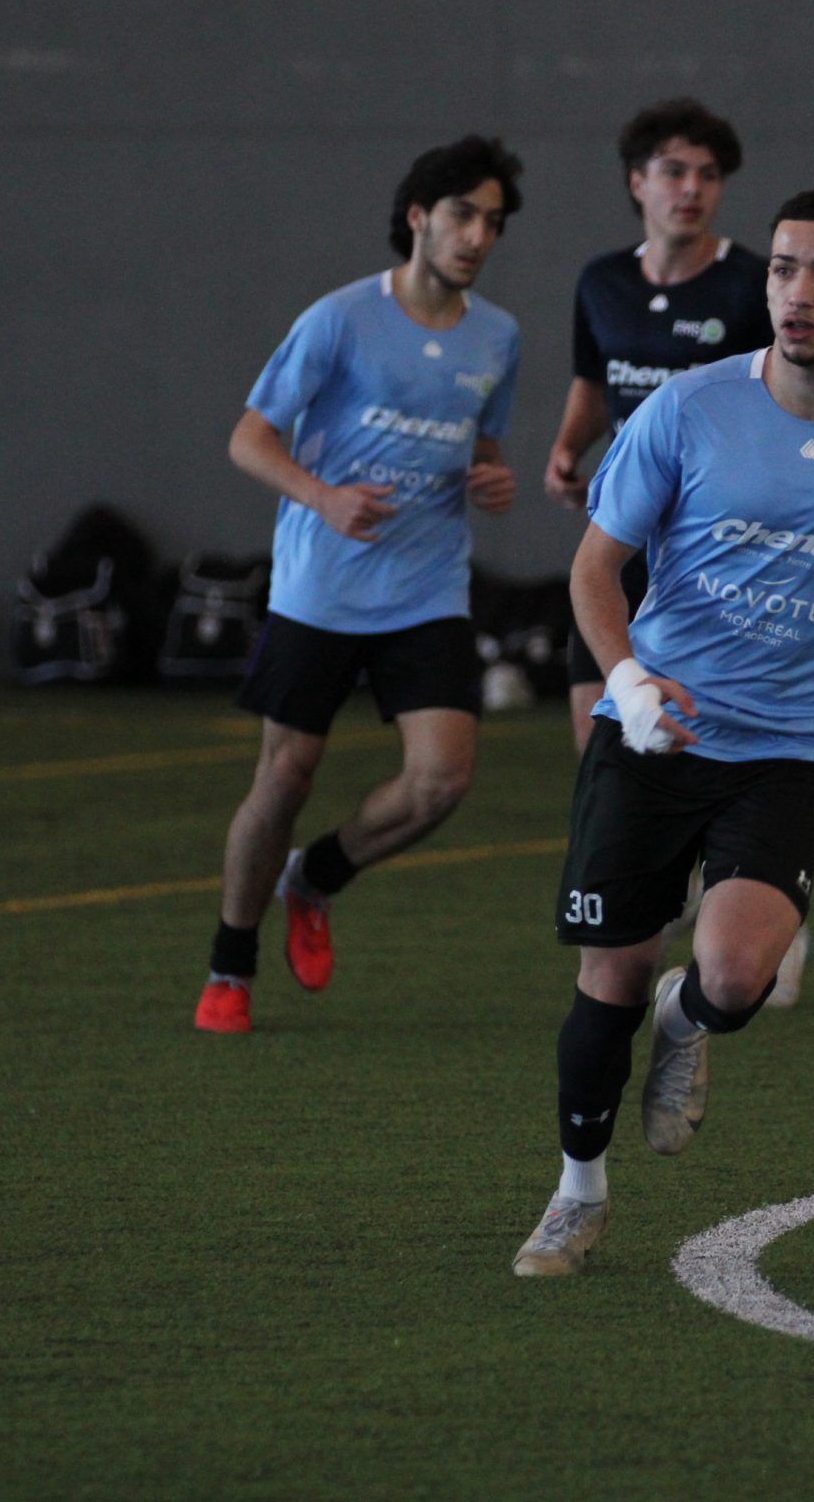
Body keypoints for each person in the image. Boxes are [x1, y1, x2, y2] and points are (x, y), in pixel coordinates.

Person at [513, 186, 814, 1276]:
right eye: (781, 269)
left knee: (731, 977)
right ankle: (576, 1192)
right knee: (610, 979)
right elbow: (593, 568)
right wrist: (629, 684)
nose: (797, 293)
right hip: (657, 730)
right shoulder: (687, 408)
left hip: (791, 743)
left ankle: (687, 1023)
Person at [193, 136, 524, 1035]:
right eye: (462, 215)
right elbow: (249, 438)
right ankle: (230, 963)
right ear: (418, 217)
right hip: (322, 588)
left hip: (427, 588)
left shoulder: (498, 336)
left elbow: (483, 443)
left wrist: (491, 479)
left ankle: (316, 877)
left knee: (441, 781)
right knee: (285, 775)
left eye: (493, 222)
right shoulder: (338, 319)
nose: (477, 236)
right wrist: (322, 496)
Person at [541, 101, 802, 998]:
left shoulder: (750, 287)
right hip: (621, 548)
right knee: (606, 741)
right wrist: (569, 446)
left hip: (714, 560)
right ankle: (638, 922)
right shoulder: (602, 281)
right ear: (636, 182)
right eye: (674, 171)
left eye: (708, 175)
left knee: (726, 748)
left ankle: (761, 903)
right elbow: (595, 381)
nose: (692, 189)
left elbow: (787, 403)